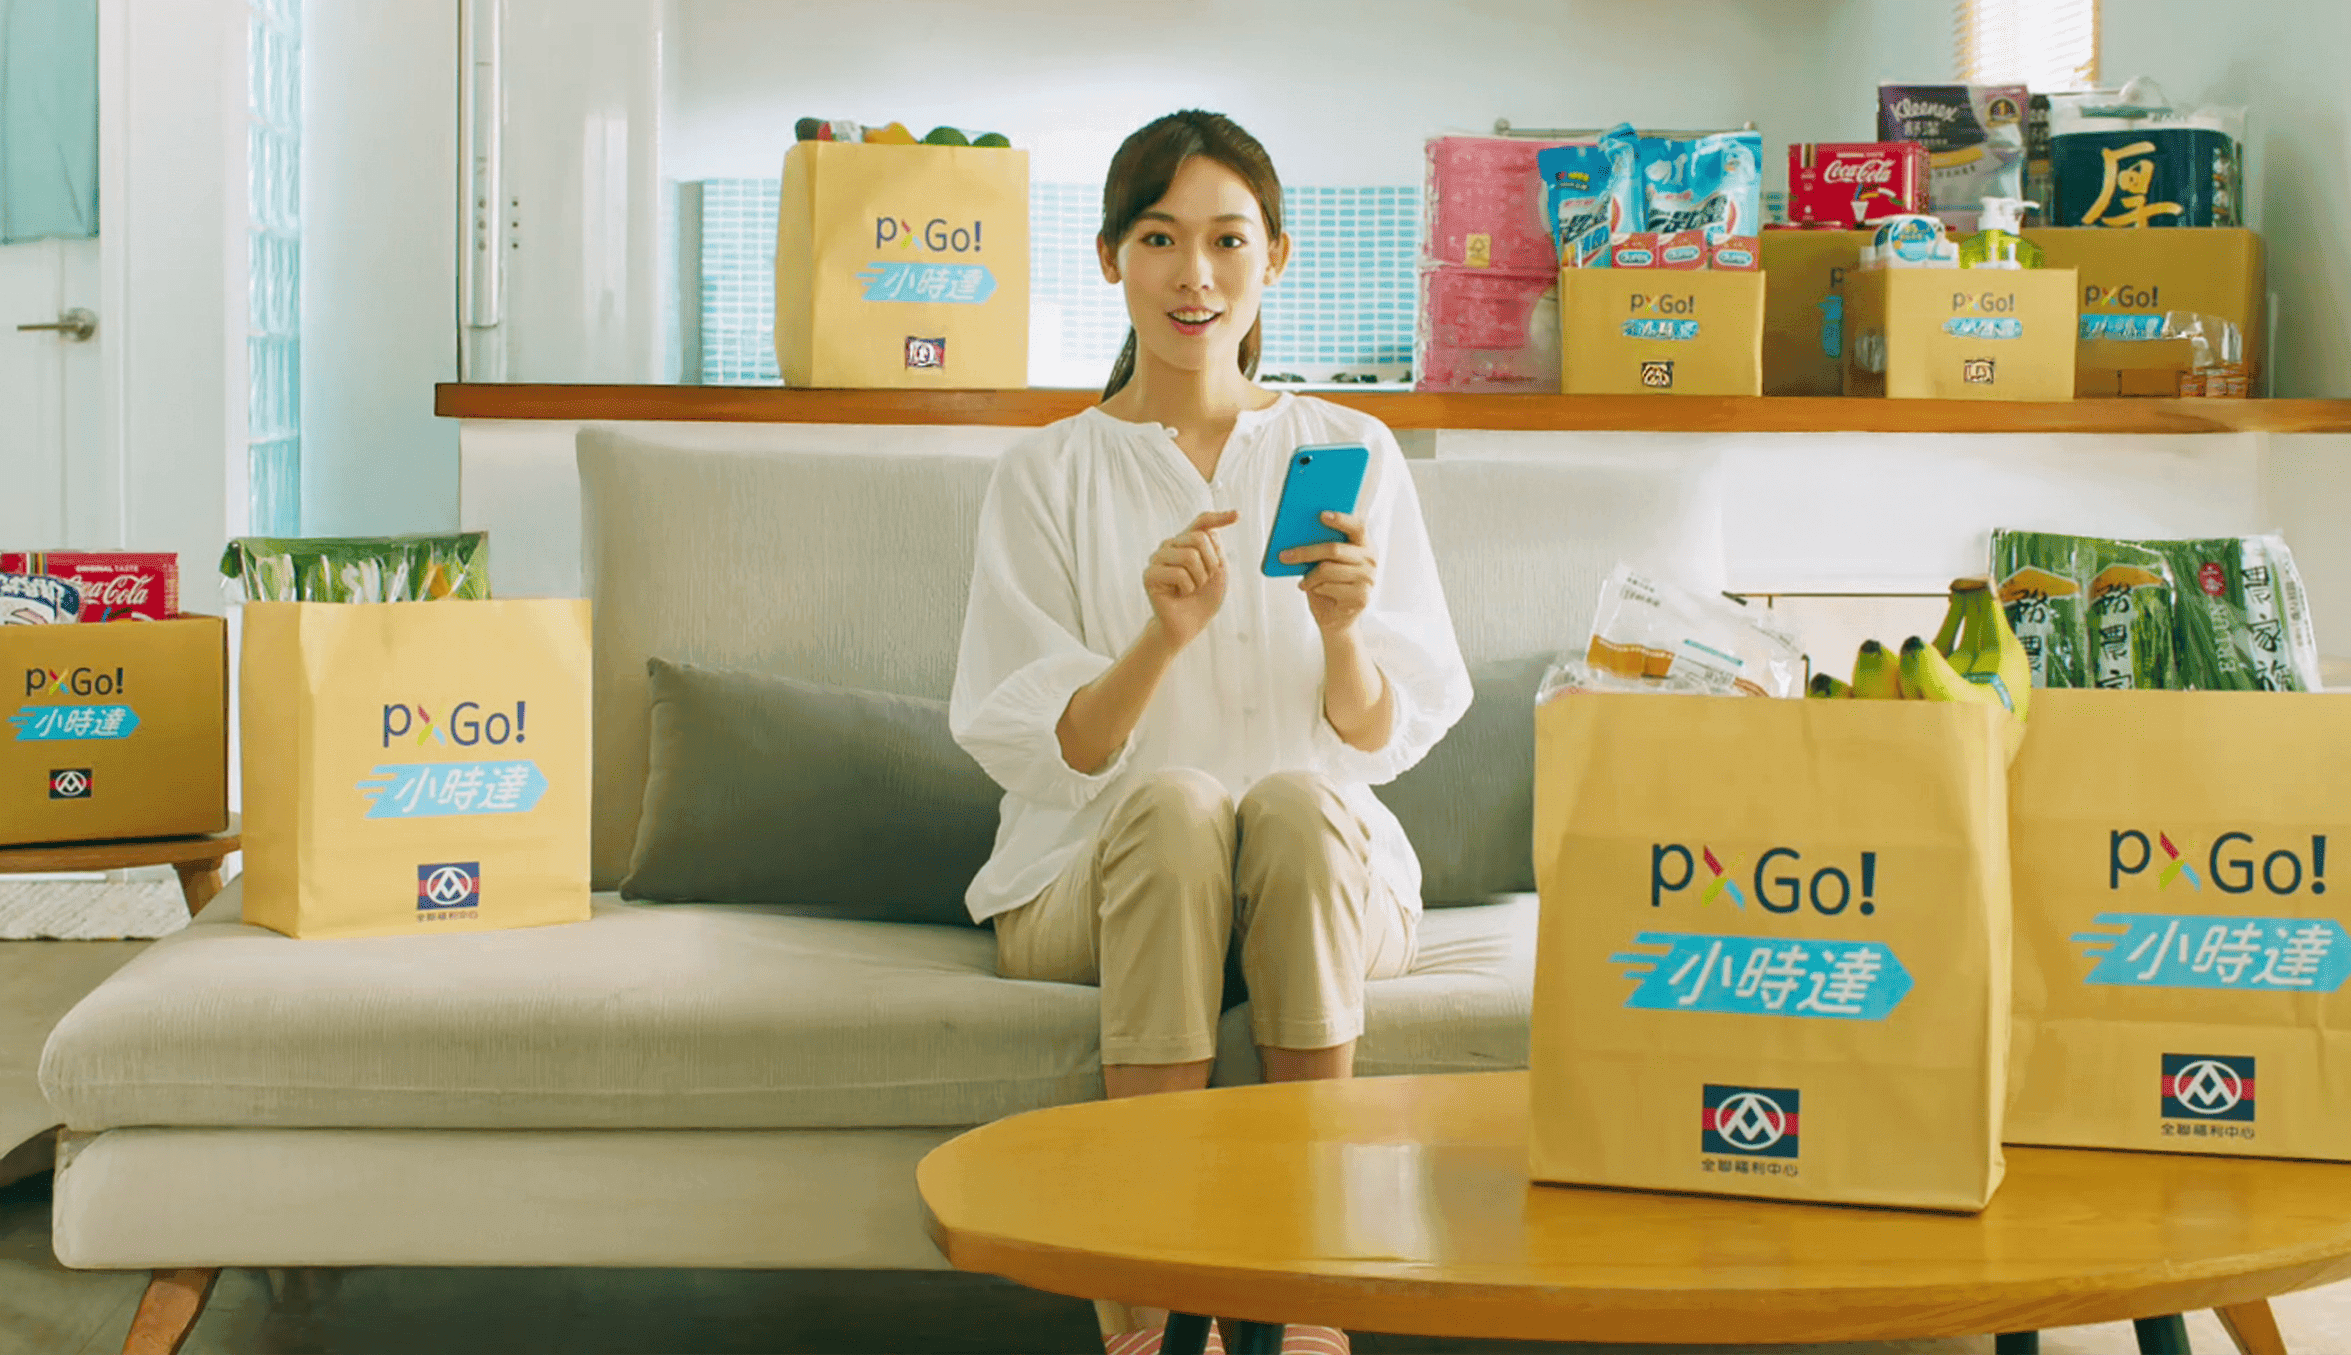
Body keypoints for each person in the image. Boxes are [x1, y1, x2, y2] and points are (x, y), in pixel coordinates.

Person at [949, 109, 1472, 1355]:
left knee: (1289, 800)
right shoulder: (1046, 475)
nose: (1195, 276)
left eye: (1226, 240)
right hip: (1093, 875)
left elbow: (1384, 732)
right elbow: (1039, 743)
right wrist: (1159, 639)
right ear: (1109, 259)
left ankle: (1309, 1293)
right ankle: (1142, 1308)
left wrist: (1344, 631)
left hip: (1311, 874)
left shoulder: (1348, 448)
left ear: (1273, 260)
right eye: (1159, 238)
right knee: (1180, 805)